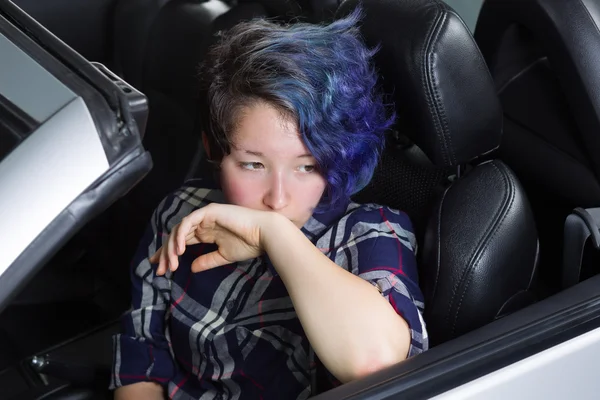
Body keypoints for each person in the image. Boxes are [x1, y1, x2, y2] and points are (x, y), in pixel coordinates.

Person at [111, 8, 428, 400]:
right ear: (213, 150)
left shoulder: (371, 233)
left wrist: (272, 233)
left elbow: (375, 362)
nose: (277, 198)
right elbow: (143, 344)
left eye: (307, 166)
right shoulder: (183, 210)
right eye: (253, 164)